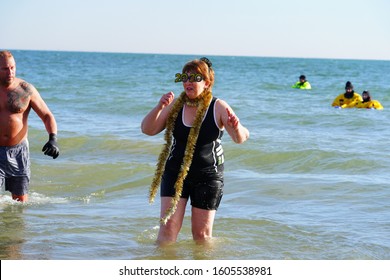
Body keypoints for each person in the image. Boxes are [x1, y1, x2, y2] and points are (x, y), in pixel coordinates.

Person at [141, 57, 249, 245]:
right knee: (167, 231)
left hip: (208, 176)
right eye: (185, 77)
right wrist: (160, 107)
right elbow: (148, 129)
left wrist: (236, 126)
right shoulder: (176, 105)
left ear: (206, 83)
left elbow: (241, 138)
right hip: (175, 172)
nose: (188, 82)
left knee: (201, 236)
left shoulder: (219, 107)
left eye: (194, 78)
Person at [0, 50, 59, 202]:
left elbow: (47, 115)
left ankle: (13, 226)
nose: (10, 72)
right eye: (5, 69)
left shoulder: (25, 89)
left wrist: (53, 138)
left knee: (19, 202)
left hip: (19, 151)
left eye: (12, 68)